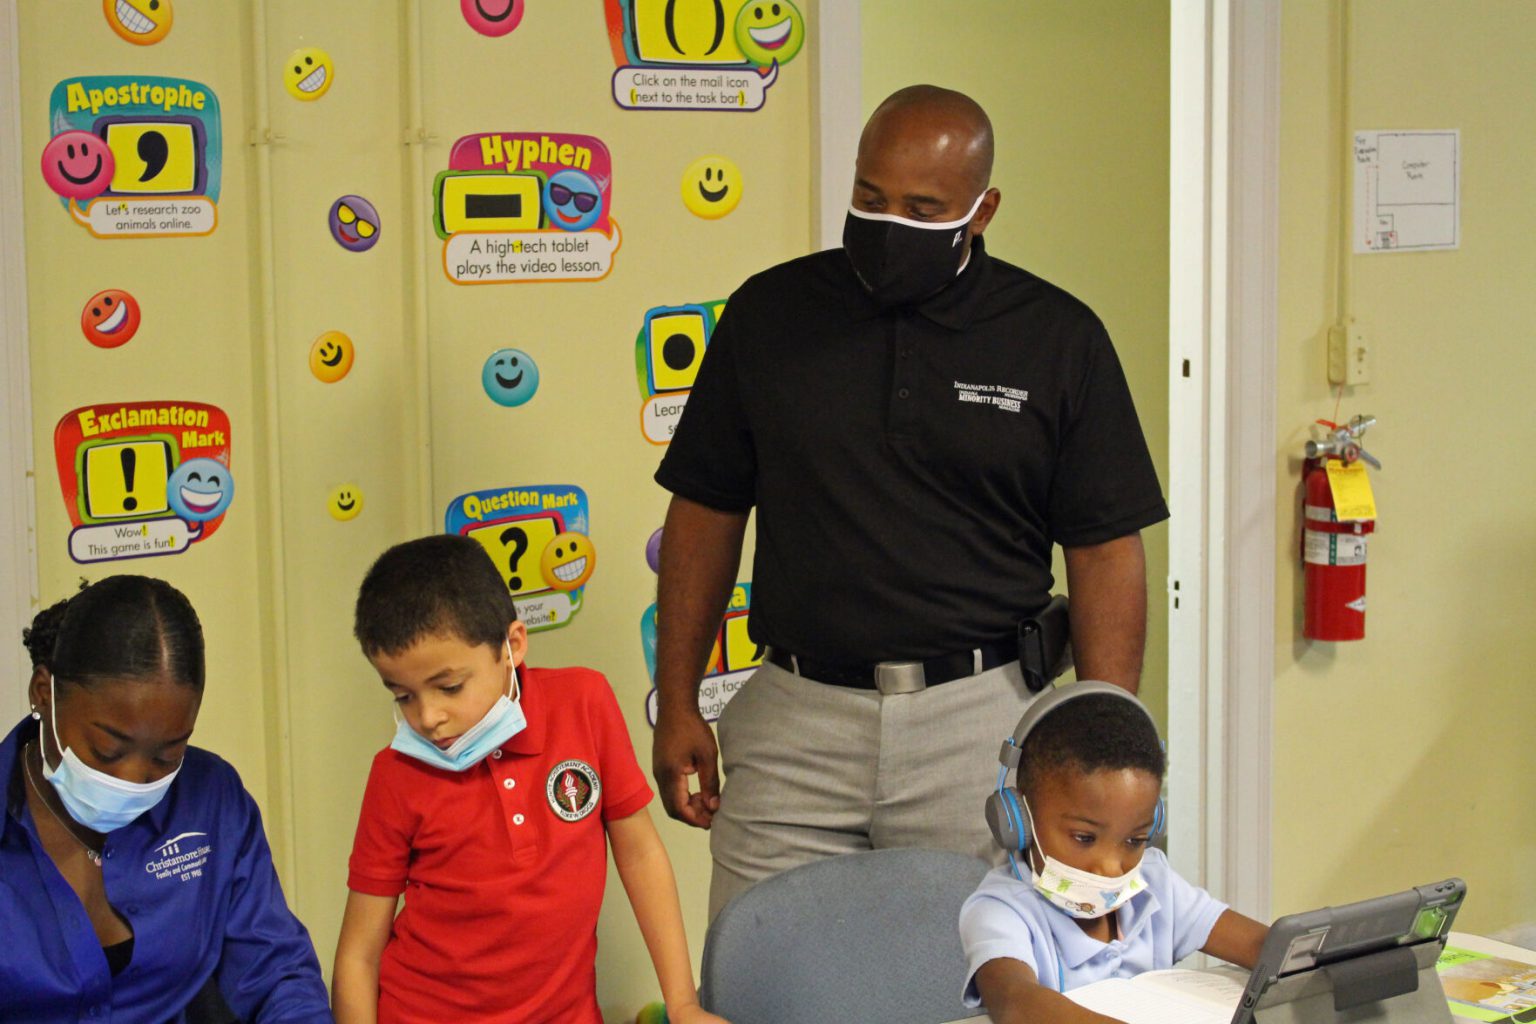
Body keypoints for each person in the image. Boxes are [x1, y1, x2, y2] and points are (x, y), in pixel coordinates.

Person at [652, 83, 1169, 917]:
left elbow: (1106, 549)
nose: (890, 224)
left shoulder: (1058, 337)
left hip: (980, 724)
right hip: (794, 721)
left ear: (983, 207)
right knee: (759, 985)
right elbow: (705, 512)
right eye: (870, 198)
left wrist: (1099, 747)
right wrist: (677, 702)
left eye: (923, 208)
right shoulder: (770, 315)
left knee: (979, 986)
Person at [331, 535, 727, 1024]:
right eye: (402, 696)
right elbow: (358, 955)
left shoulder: (584, 703)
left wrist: (683, 1001)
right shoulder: (395, 775)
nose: (428, 716)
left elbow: (640, 852)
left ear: (512, 646)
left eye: (449, 687)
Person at [0, 576, 333, 1023]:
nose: (135, 778)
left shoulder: (211, 800)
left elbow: (273, 970)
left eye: (167, 753)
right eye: (108, 750)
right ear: (44, 693)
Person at [960, 683, 1268, 1022]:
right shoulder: (1000, 910)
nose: (1110, 867)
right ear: (1019, 818)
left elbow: (1263, 947)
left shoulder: (1156, 882)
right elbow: (1016, 1003)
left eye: (1134, 841)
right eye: (1084, 837)